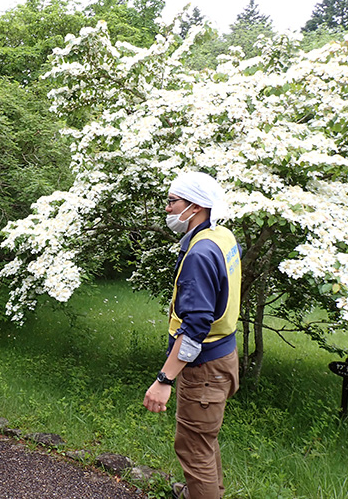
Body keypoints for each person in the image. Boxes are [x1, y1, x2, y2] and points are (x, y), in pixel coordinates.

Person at [143, 172, 242, 499]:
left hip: (205, 370)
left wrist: (164, 380)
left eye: (173, 201)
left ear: (196, 206)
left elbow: (196, 326)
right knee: (203, 440)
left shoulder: (200, 254)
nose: (168, 208)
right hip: (224, 357)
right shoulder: (222, 235)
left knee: (193, 448)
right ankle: (199, 492)